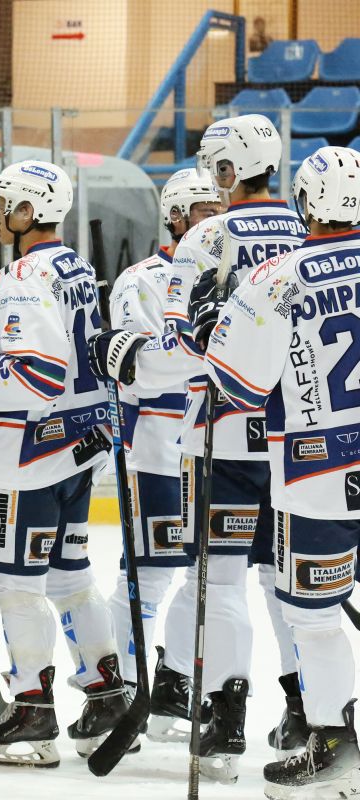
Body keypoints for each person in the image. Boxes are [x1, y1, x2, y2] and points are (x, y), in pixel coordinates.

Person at [87, 114, 306, 783]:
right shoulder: (311, 236)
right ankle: (316, 716)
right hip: (303, 443)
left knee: (223, 580)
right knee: (294, 589)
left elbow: (183, 354)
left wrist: (122, 359)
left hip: (224, 437)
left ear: (229, 170)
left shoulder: (209, 236)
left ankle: (225, 718)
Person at [0, 160, 123, 767]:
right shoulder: (74, 265)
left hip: (29, 455)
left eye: (4, 205)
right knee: (71, 576)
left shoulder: (22, 276)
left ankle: (33, 713)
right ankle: (105, 693)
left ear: (27, 213)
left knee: (16, 585)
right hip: (79, 446)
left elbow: (35, 373)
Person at [200, 145, 360, 799]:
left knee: (316, 616)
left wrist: (215, 324)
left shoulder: (279, 275)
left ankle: (336, 749)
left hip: (315, 473)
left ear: (305, 204)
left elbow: (233, 382)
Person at [95, 168, 222, 742]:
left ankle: (170, 680)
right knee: (147, 576)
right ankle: (123, 685)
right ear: (175, 217)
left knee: (210, 575)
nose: (212, 218)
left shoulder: (233, 274)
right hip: (158, 452)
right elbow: (133, 371)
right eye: (200, 210)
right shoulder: (140, 281)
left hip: (214, 453)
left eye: (217, 206)